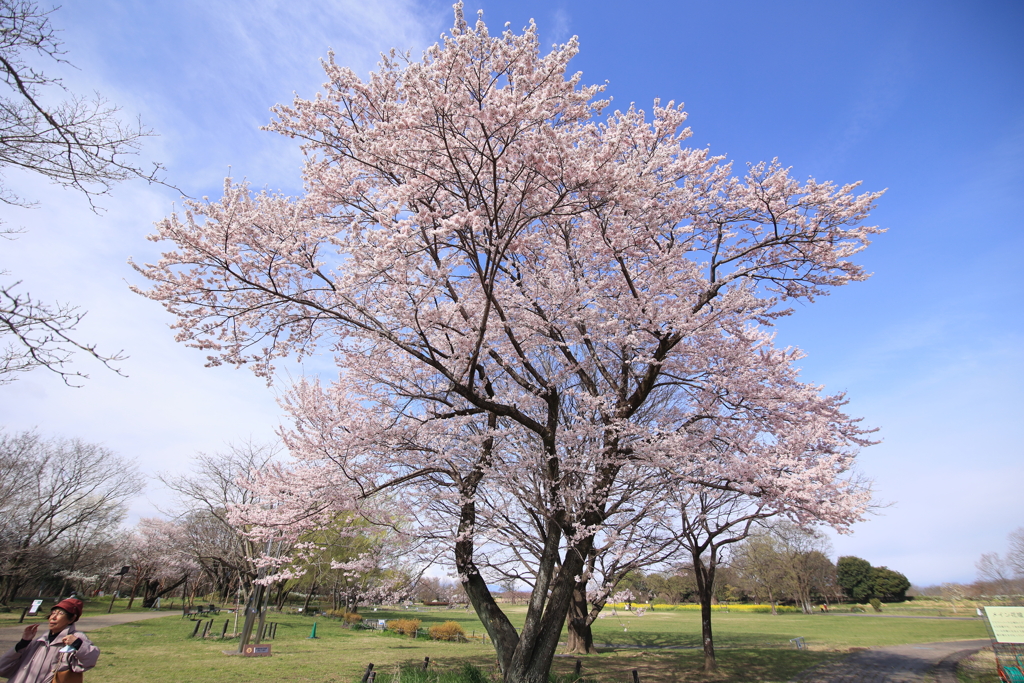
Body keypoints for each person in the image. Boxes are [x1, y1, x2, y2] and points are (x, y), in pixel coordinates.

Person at [0, 598, 99, 682]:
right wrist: (24, 643)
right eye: (53, 613)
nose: (53, 617)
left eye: (60, 613)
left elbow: (89, 660)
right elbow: (3, 667)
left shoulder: (76, 638)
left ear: (72, 618)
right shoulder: (40, 641)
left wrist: (77, 644)